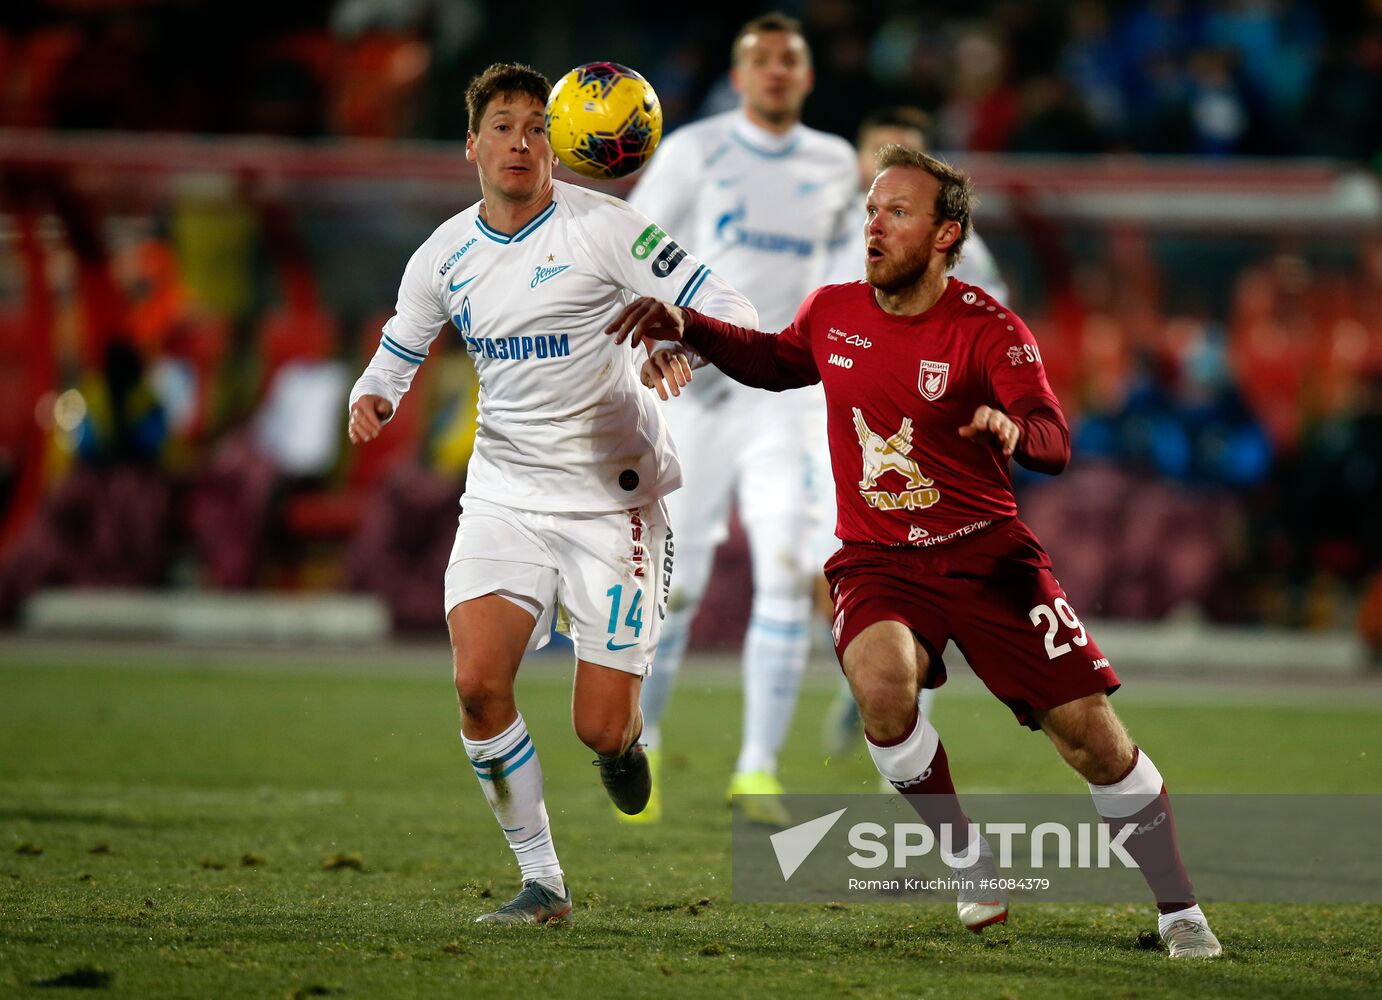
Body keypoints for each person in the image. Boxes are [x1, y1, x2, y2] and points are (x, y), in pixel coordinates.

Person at [608, 146, 1222, 958]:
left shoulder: (988, 327)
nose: (875, 225)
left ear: (945, 236)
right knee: (883, 690)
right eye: (871, 210)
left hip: (990, 557)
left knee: (1093, 739)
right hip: (879, 563)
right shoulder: (833, 313)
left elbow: (1052, 436)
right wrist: (694, 326)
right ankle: (968, 859)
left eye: (897, 212)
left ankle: (1179, 911)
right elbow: (774, 360)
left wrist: (1013, 430)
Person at [346, 62, 757, 925]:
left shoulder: (609, 231)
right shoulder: (444, 254)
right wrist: (372, 394)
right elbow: (400, 345)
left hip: (613, 504)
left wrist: (687, 332)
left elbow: (733, 308)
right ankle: (545, 885)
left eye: (539, 126)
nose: (521, 142)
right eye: (503, 125)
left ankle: (622, 744)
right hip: (503, 496)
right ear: (472, 144)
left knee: (600, 728)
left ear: (563, 144)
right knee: (475, 684)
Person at [623, 11, 857, 825]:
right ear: (739, 74)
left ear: (808, 75)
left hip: (788, 398)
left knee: (792, 569)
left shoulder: (836, 164)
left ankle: (757, 767)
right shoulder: (696, 152)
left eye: (790, 60)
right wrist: (655, 346)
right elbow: (634, 247)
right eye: (761, 60)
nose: (776, 73)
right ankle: (641, 746)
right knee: (676, 585)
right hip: (700, 390)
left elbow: (842, 279)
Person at [820, 105, 1010, 756]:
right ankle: (867, 678)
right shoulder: (824, 229)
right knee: (820, 578)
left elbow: (996, 329)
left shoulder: (964, 250)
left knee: (918, 587)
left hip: (921, 439)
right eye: (877, 157)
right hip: (827, 429)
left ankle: (892, 713)